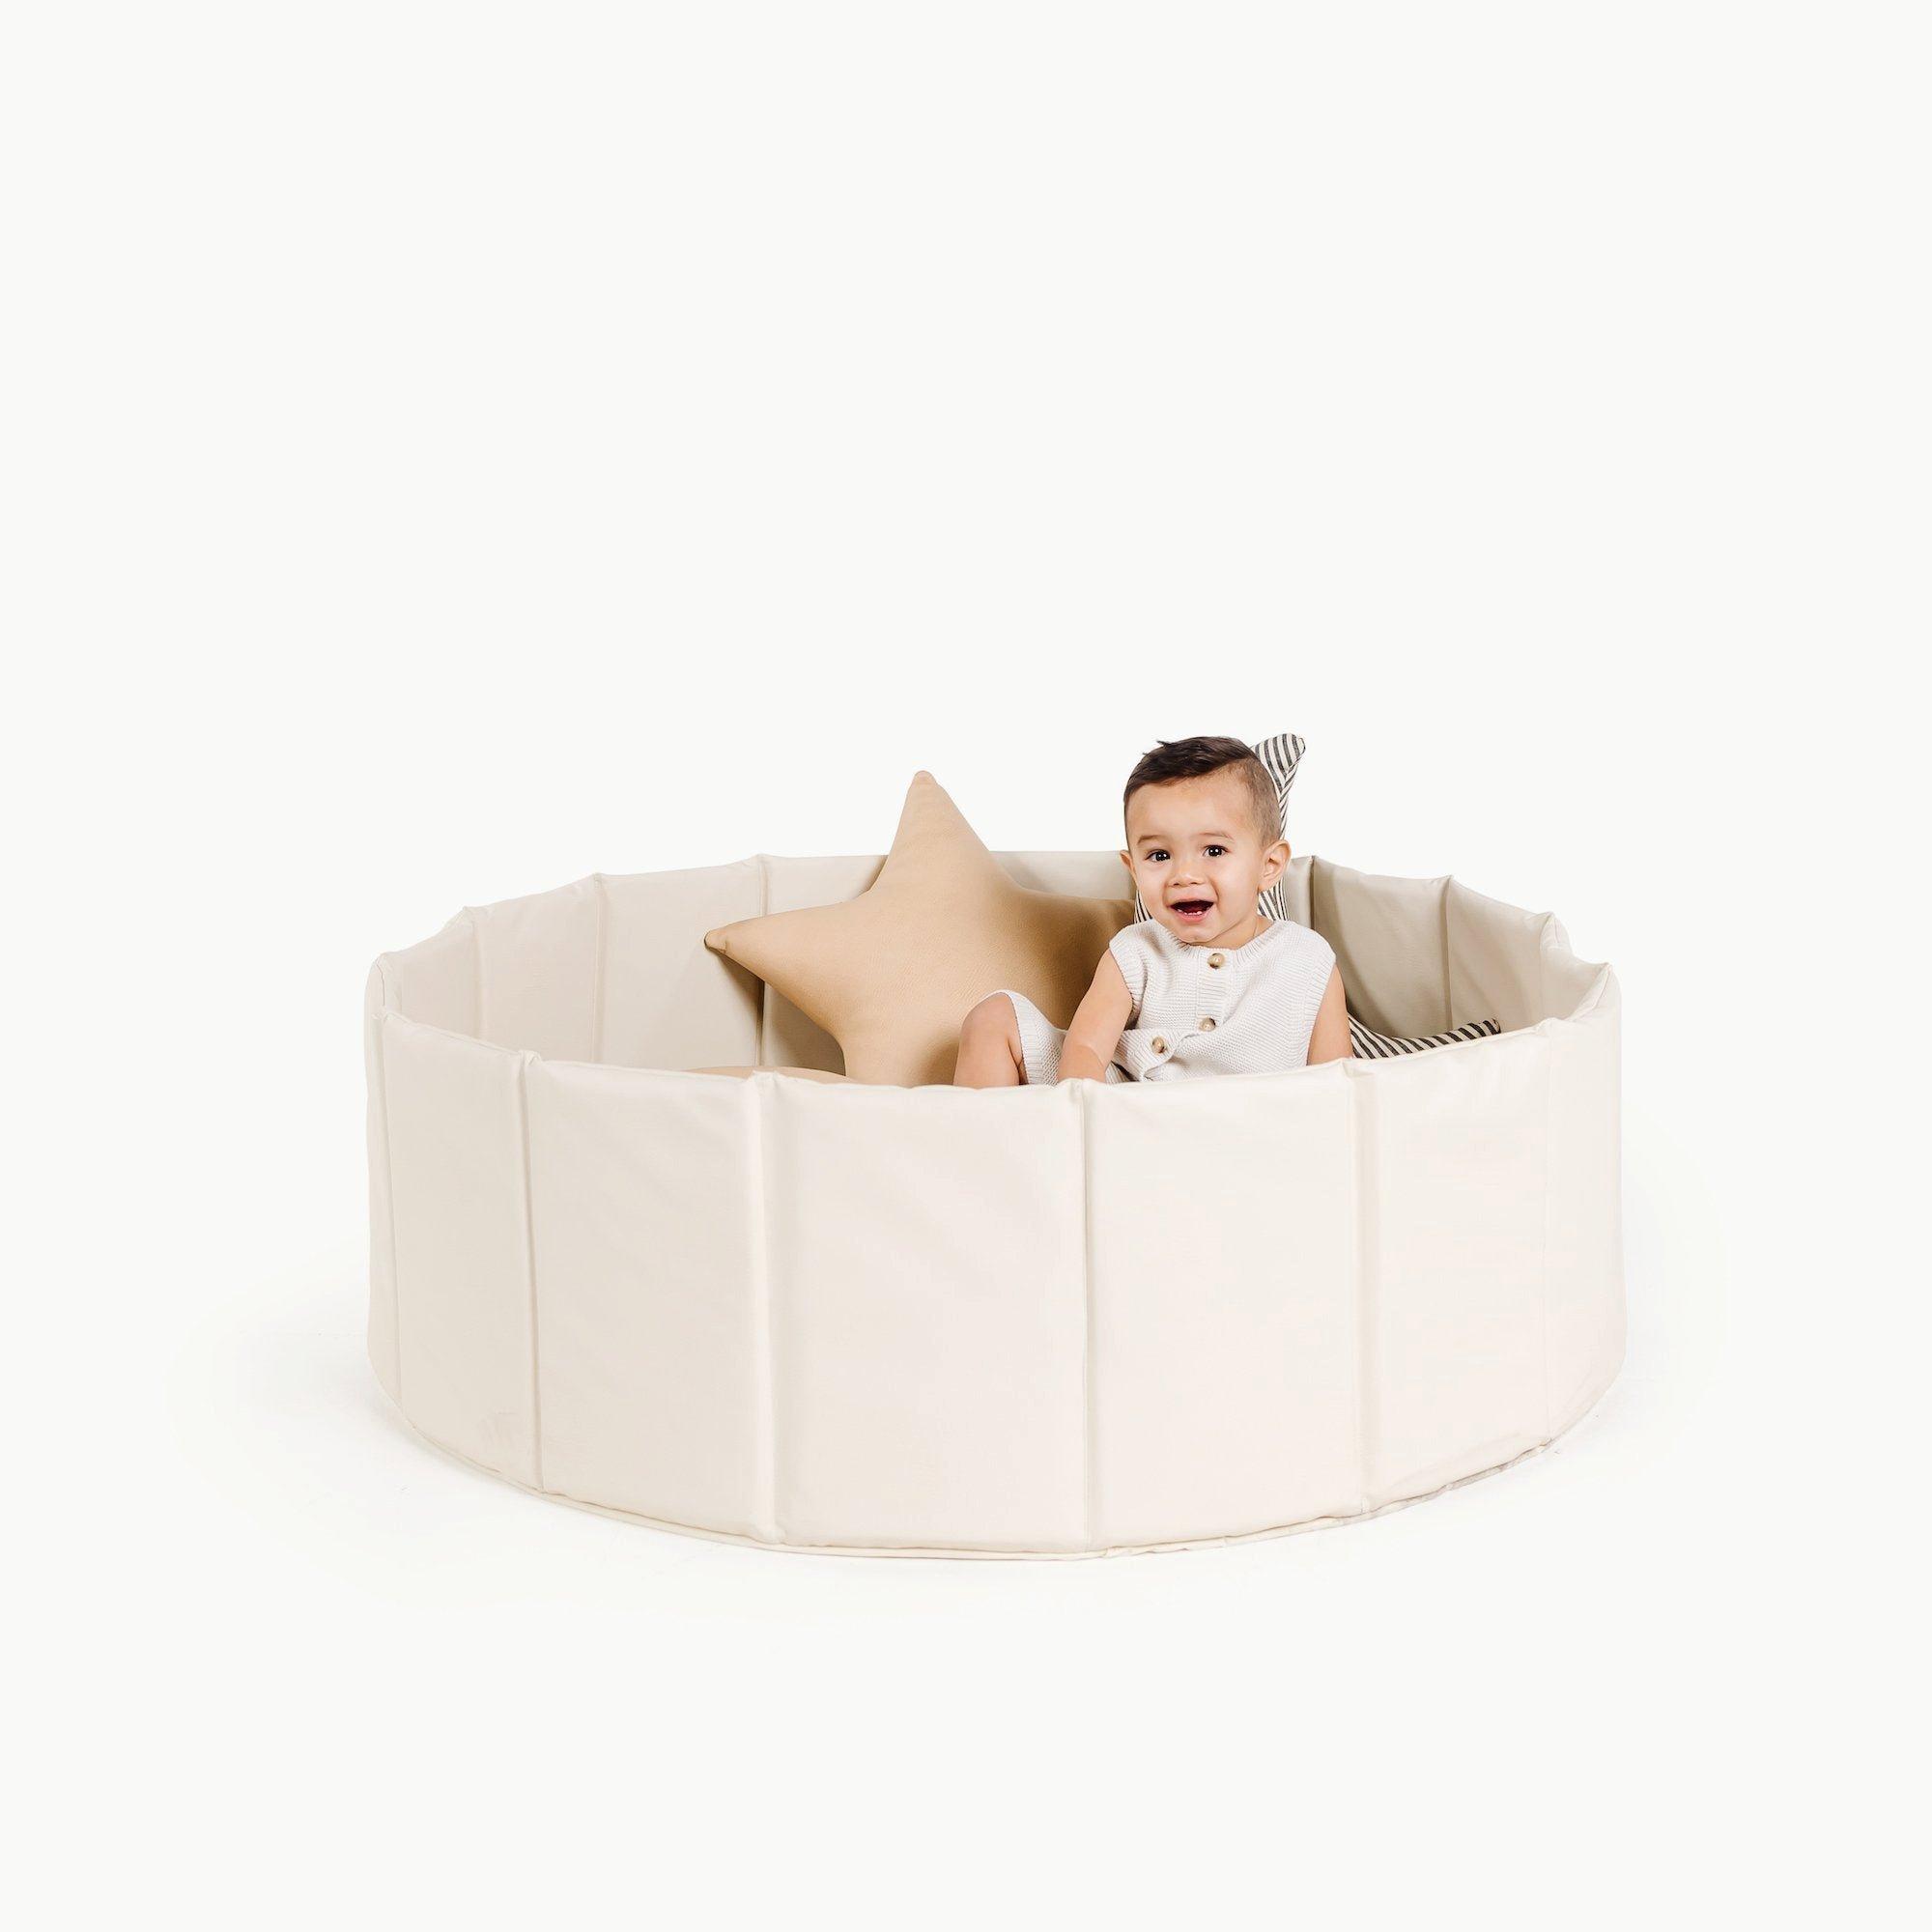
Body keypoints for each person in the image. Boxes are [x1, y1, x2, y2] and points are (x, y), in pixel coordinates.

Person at [952, 736, 1351, 1087]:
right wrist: (1087, 1116)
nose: (1184, 875)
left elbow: (1338, 1085)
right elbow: (1086, 1049)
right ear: (1133, 869)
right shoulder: (1136, 950)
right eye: (1159, 855)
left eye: (1214, 850)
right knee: (994, 1017)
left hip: (1250, 1126)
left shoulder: (1308, 959)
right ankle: (986, 1146)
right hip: (1127, 1107)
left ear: (1270, 865)